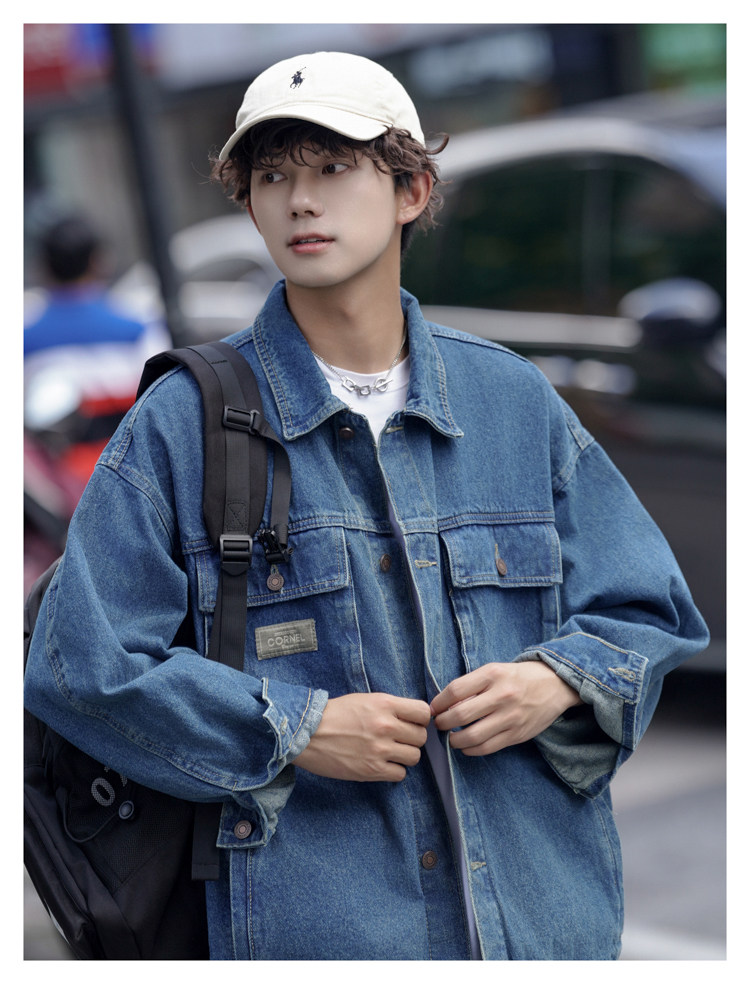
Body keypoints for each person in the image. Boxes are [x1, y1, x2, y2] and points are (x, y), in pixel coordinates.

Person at [24, 51, 709, 961]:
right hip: (319, 936)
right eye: (273, 176)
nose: (301, 201)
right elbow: (80, 666)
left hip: (544, 931)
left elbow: (649, 609)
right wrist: (292, 728)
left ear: (411, 190)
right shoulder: (183, 425)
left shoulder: (512, 402)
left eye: (334, 167)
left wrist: (555, 680)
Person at [24, 214, 169, 484]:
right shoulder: (138, 328)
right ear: (98, 261)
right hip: (131, 476)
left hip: (58, 486)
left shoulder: (25, 339)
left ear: (43, 266)